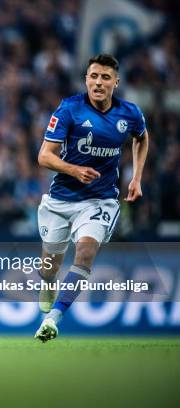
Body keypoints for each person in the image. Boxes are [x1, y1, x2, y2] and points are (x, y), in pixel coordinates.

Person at [34, 54, 148, 342]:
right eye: (93, 76)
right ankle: (48, 284)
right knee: (49, 266)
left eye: (105, 77)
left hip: (100, 201)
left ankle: (53, 318)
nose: (98, 82)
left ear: (115, 82)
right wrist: (73, 169)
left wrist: (136, 177)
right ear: (86, 79)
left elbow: (141, 137)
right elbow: (44, 156)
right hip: (60, 200)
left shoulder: (130, 113)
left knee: (85, 253)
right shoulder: (69, 109)